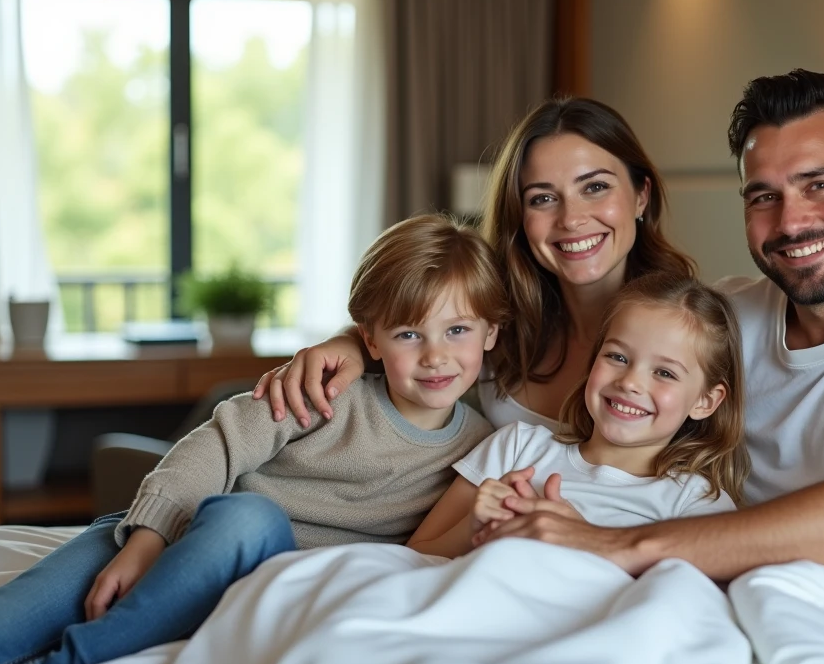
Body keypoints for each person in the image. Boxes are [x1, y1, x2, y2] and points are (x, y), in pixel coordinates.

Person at [478, 70, 824, 591]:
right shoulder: (722, 318)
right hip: (668, 585)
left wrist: (616, 545)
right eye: (764, 196)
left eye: (819, 185)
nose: (791, 222)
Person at [0, 214, 505, 664]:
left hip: (255, 581)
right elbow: (217, 444)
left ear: (491, 333)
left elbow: (434, 555)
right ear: (372, 341)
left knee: (252, 519)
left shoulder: (483, 450)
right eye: (410, 334)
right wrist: (147, 537)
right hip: (176, 533)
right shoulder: (326, 389)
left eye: (457, 330)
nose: (435, 355)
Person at [251, 96, 696, 433]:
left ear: (641, 194)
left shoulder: (694, 326)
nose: (571, 218)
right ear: (519, 215)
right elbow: (411, 319)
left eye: (595, 187)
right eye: (542, 198)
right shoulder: (497, 313)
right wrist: (347, 343)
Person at [406, 272, 749, 560]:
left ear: (705, 401)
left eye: (665, 373)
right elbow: (415, 555)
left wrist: (584, 539)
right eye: (617, 357)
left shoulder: (695, 500)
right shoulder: (517, 448)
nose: (630, 382)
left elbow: (694, 602)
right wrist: (472, 528)